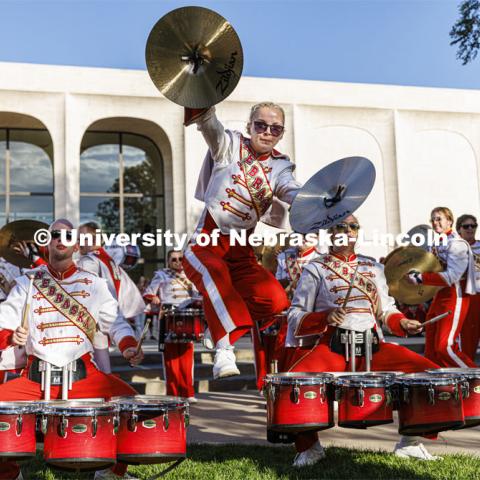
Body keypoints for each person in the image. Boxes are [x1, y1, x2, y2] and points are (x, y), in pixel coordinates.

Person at [284, 216, 441, 467]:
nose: (347, 231)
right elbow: (295, 315)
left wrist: (402, 322)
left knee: (429, 375)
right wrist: (325, 316)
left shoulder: (373, 267)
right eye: (340, 226)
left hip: (372, 345)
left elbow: (386, 311)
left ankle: (410, 443)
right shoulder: (316, 267)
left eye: (353, 226)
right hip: (333, 346)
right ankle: (309, 448)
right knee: (293, 384)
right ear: (330, 233)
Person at [0, 219, 143, 480]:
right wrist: (11, 336)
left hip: (83, 374)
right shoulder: (27, 283)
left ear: (76, 244)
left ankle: (110, 473)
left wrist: (128, 345)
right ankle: (9, 474)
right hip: (35, 376)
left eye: (67, 234)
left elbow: (116, 323)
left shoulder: (95, 284)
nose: (60, 238)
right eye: (55, 234)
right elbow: (3, 320)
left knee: (131, 406)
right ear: (47, 241)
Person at [182, 102, 301, 379]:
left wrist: (316, 202)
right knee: (216, 271)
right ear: (250, 126)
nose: (267, 132)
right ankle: (224, 350)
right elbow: (209, 124)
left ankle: (216, 327)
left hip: (241, 250)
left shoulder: (280, 165)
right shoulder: (229, 144)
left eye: (275, 128)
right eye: (260, 125)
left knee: (274, 300)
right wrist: (200, 90)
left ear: (281, 133)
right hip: (206, 244)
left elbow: (290, 189)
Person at [405, 207, 478, 368]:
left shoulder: (457, 243)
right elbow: (430, 268)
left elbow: (452, 276)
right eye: (433, 219)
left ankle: (475, 381)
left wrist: (419, 278)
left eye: (439, 219)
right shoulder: (437, 242)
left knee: (445, 346)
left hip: (455, 296)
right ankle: (441, 390)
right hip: (439, 297)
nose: (435, 222)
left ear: (449, 221)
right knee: (431, 350)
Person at [76, 222, 146, 373]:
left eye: (82, 237)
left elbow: (87, 300)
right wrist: (127, 341)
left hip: (85, 341)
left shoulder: (89, 261)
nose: (77, 242)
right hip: (100, 336)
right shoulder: (107, 260)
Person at [144, 250, 200, 402]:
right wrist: (154, 297)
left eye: (180, 259)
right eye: (173, 259)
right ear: (168, 261)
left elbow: (197, 296)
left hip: (187, 318)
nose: (177, 262)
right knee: (170, 360)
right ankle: (173, 394)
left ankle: (188, 393)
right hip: (169, 317)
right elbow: (149, 292)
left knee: (187, 357)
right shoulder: (161, 275)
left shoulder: (191, 276)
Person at [456, 214, 480, 362]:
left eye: (473, 225)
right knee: (468, 340)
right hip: (467, 297)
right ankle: (470, 379)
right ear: (459, 229)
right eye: (466, 226)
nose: (470, 229)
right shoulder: (454, 249)